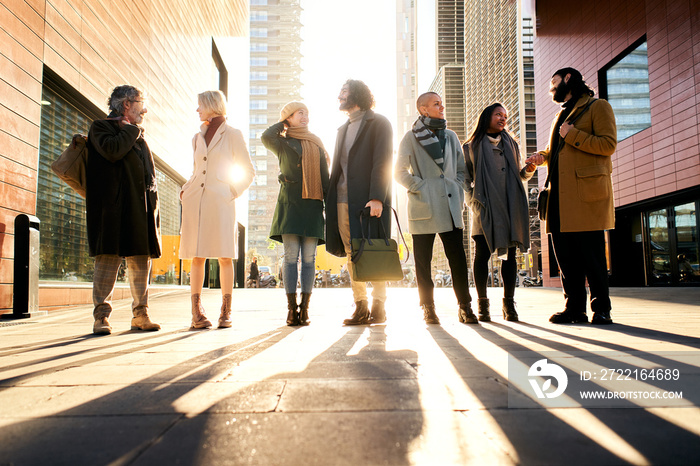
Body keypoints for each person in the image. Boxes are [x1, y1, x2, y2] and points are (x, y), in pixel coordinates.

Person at [526, 67, 617, 324]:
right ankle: (574, 308)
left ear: (568, 79)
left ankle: (601, 310)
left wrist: (572, 134)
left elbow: (608, 144)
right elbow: (556, 150)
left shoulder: (598, 107)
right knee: (566, 259)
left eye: (553, 82)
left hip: (585, 195)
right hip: (557, 197)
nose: (551, 88)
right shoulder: (561, 115)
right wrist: (541, 157)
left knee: (593, 259)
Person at [395, 92, 477, 325]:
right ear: (423, 109)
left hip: (450, 204)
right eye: (436, 104)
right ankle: (428, 308)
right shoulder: (411, 137)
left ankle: (465, 306)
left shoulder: (451, 136)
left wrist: (457, 184)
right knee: (423, 262)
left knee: (458, 259)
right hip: (424, 204)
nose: (442, 107)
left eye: (442, 103)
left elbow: (461, 169)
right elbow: (398, 171)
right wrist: (419, 186)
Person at [87, 85, 162, 335]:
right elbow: (112, 151)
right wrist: (131, 129)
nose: (145, 109)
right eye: (141, 103)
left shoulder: (138, 134)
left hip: (140, 209)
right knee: (107, 260)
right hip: (112, 209)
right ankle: (101, 317)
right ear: (127, 104)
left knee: (140, 261)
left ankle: (141, 314)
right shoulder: (101, 127)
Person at [179, 90, 255, 329]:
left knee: (224, 256)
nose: (197, 109)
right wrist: (185, 190)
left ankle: (225, 311)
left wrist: (232, 191)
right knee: (197, 255)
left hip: (222, 202)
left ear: (212, 105)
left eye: (200, 105)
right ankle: (197, 313)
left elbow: (249, 171)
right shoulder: (196, 136)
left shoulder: (233, 134)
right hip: (196, 201)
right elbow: (195, 171)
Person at [326, 79, 393, 325]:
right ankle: (360, 306)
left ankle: (379, 305)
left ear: (357, 94)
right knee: (353, 253)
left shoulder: (380, 123)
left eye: (343, 91)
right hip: (342, 200)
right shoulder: (341, 130)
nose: (340, 96)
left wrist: (377, 196)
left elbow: (383, 161)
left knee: (373, 248)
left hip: (368, 201)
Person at [464, 103, 535, 322]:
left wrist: (529, 170)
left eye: (505, 115)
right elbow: (465, 179)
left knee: (510, 256)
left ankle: (508, 304)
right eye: (498, 115)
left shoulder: (512, 143)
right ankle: (483, 305)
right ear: (487, 117)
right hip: (484, 207)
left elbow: (519, 176)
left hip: (509, 206)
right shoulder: (471, 146)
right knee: (482, 256)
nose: (503, 118)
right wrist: (474, 204)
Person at [261, 102, 330, 326]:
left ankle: (305, 308)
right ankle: (291, 309)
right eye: (300, 113)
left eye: (307, 113)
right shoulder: (282, 142)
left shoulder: (316, 144)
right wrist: (284, 123)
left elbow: (325, 178)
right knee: (290, 258)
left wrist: (329, 207)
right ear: (289, 117)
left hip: (312, 206)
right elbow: (265, 136)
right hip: (290, 205)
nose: (305, 116)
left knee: (309, 260)